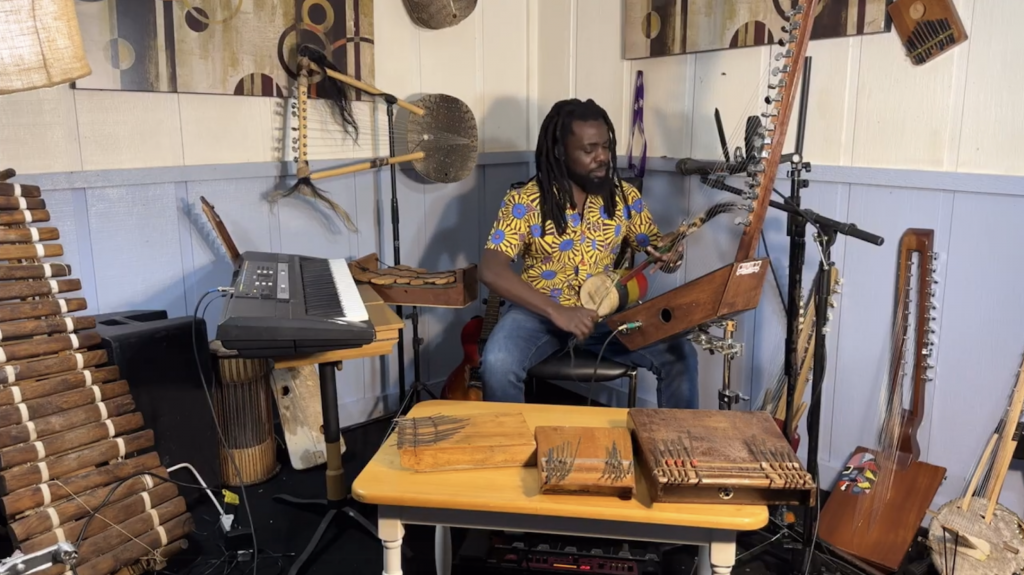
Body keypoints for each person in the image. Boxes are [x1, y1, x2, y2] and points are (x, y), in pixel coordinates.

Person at [478, 98, 699, 409]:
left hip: (607, 316)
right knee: (498, 362)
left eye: (606, 147)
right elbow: (490, 269)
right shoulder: (525, 201)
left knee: (680, 354)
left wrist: (670, 255)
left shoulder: (624, 197)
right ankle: (509, 453)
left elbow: (657, 252)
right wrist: (557, 312)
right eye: (589, 149)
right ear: (560, 151)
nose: (602, 157)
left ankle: (679, 453)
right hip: (539, 313)